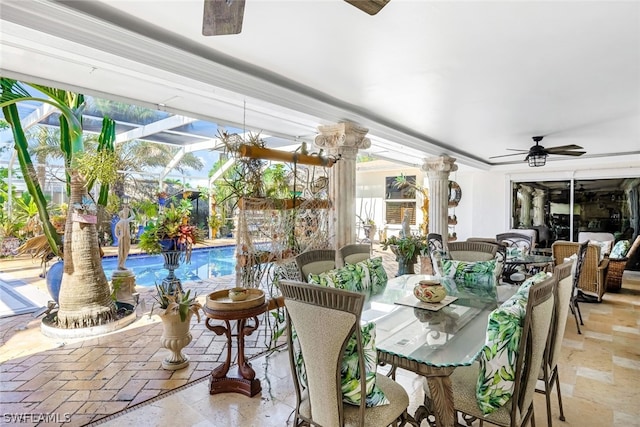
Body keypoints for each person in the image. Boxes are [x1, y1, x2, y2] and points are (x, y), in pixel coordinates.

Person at [115, 205, 135, 270]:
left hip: (122, 238)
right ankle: (121, 264)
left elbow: (116, 232)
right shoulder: (125, 221)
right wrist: (131, 209)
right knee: (124, 251)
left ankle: (121, 264)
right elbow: (133, 216)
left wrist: (119, 237)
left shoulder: (120, 222)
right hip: (125, 238)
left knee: (121, 251)